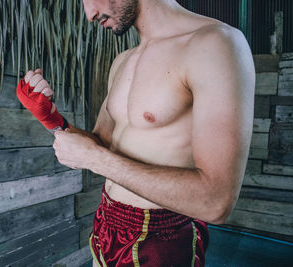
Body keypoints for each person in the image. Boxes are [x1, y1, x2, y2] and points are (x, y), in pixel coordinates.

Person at [17, 0, 255, 266]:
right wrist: (50, 118)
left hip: (161, 243)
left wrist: (96, 159)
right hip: (105, 228)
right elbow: (99, 144)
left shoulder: (216, 44)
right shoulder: (123, 61)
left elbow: (216, 202)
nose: (89, 14)